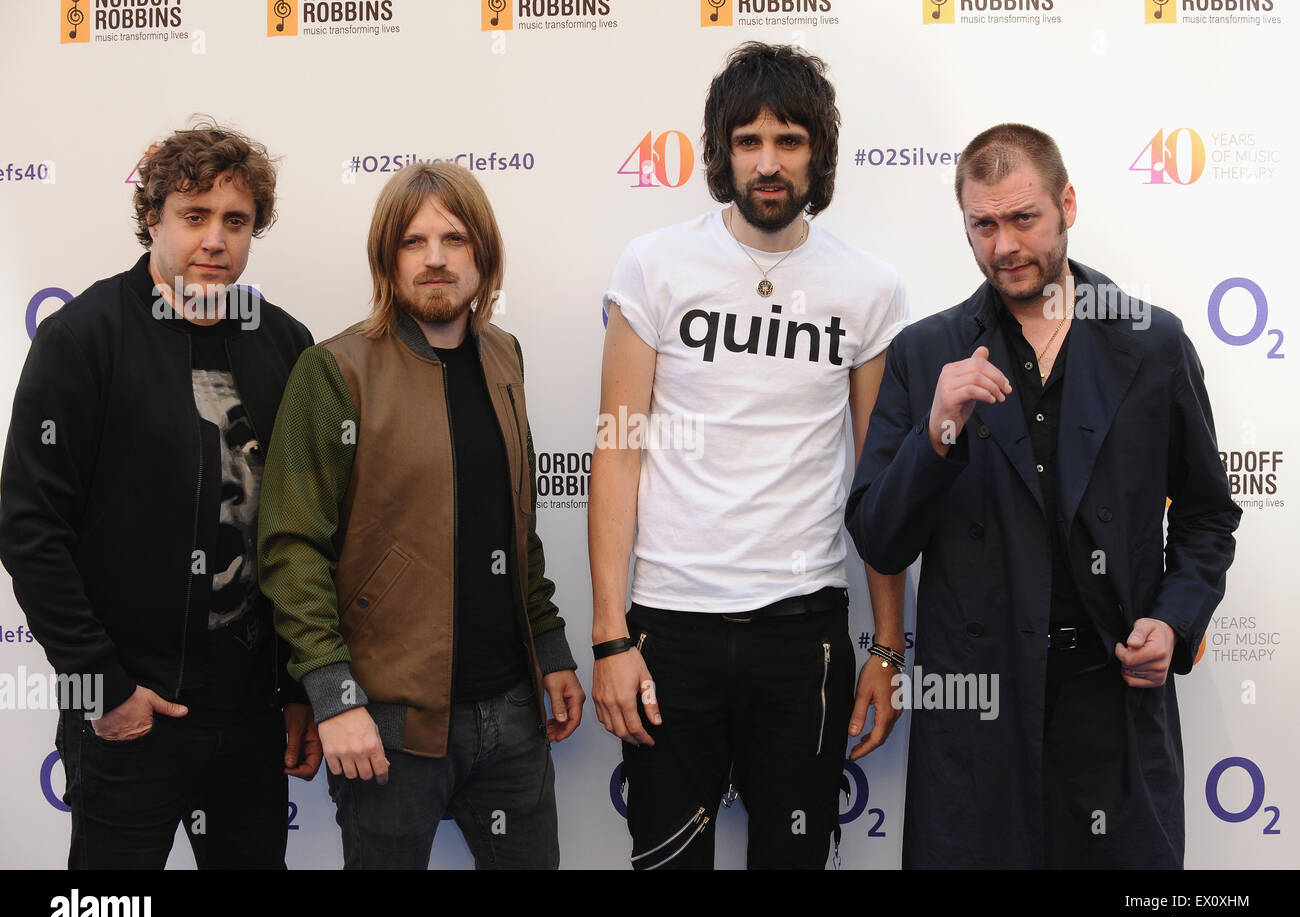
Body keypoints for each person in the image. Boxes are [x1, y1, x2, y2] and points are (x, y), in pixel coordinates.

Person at [845, 123, 1240, 868]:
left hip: (1113, 705)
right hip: (978, 716)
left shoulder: (1153, 343)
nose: (1003, 246)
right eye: (982, 224)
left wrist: (1175, 619)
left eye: (1023, 218)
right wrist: (934, 437)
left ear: (1067, 205)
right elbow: (880, 537)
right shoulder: (927, 352)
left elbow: (1206, 516)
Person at [590, 41, 911, 870]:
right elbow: (617, 454)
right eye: (748, 141)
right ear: (722, 151)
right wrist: (609, 637)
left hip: (803, 633)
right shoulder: (655, 266)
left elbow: (878, 484)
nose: (768, 163)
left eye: (790, 140)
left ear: (819, 154)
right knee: (666, 858)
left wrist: (886, 644)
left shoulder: (868, 288)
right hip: (668, 626)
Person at [0, 121, 320, 869]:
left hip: (248, 718)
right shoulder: (84, 337)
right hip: (126, 713)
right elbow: (28, 526)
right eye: (194, 215)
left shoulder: (284, 343)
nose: (215, 240)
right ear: (153, 218)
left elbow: (304, 535)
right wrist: (101, 687)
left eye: (235, 221)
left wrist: (302, 684)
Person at [257, 161, 584, 870]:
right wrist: (333, 695)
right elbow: (290, 546)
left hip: (515, 722)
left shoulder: (505, 356)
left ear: (484, 255)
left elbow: (515, 527)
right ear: (386, 257)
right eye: (413, 241)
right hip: (386, 732)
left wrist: (551, 647)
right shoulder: (334, 370)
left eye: (455, 238)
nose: (435, 258)